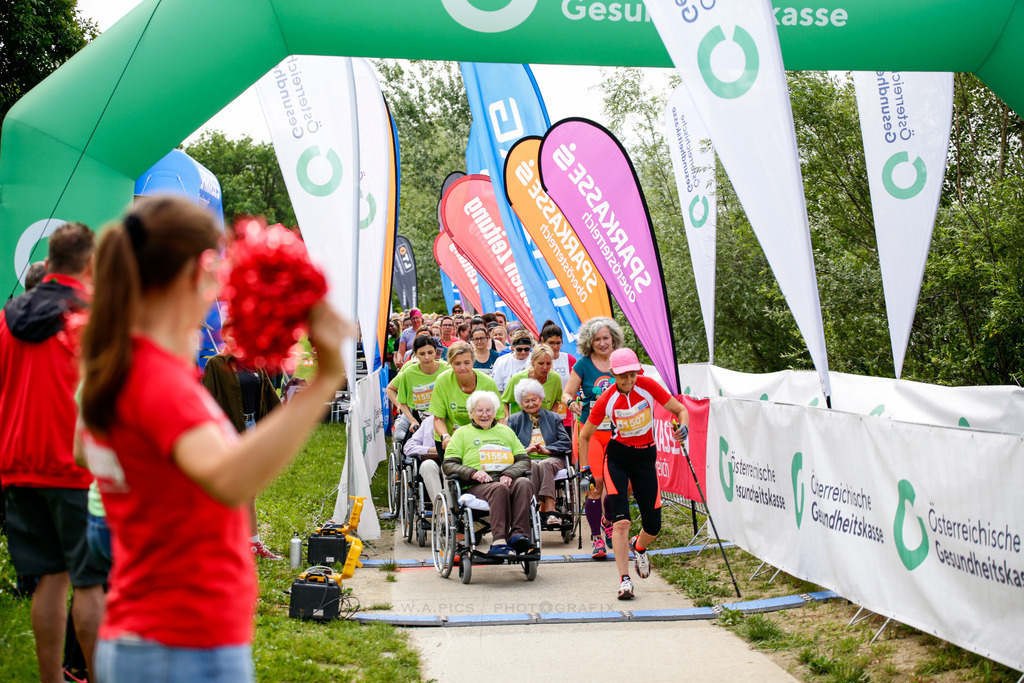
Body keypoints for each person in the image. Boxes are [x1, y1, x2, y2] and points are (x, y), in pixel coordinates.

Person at [78, 196, 352, 682]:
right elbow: (228, 479)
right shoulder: (157, 380)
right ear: (196, 272)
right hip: (182, 641)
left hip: (152, 633)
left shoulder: (121, 366)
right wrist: (328, 376)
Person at [0, 221, 107, 683]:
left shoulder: (7, 317)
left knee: (48, 579)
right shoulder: (88, 316)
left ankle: (51, 679)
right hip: (73, 468)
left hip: (16, 467)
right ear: (88, 263)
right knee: (89, 584)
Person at [579, 348, 688, 600]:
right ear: (613, 374)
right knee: (622, 522)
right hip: (617, 458)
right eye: (622, 377)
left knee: (654, 526)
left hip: (645, 459)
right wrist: (585, 470)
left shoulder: (648, 386)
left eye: (631, 375)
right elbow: (585, 435)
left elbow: (680, 410)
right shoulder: (606, 398)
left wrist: (683, 428)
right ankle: (624, 580)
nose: (627, 381)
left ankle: (639, 546)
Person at [201, 336, 285, 560]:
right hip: (230, 431)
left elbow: (269, 395)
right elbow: (205, 400)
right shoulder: (216, 364)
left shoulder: (255, 363)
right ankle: (245, 543)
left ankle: (244, 542)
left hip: (254, 429)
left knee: (250, 491)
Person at [443, 391, 535, 556]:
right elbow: (449, 465)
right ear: (471, 413)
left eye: (489, 410)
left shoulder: (505, 432)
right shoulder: (462, 433)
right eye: (479, 411)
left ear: (495, 412)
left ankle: (518, 535)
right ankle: (499, 541)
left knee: (524, 483)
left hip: (505, 479)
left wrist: (510, 473)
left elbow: (524, 459)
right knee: (499, 489)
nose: (484, 415)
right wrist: (472, 473)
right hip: (477, 485)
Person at [562, 316, 624, 560]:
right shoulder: (583, 365)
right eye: (597, 339)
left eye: (605, 338)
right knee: (595, 486)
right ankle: (597, 537)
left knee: (619, 486)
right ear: (590, 341)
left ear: (613, 339)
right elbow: (567, 392)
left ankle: (608, 520)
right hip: (591, 433)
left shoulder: (621, 360)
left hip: (619, 432)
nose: (602, 343)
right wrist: (572, 403)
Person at [508, 379, 571, 524]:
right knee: (533, 465)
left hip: (552, 458)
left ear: (541, 399)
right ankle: (532, 507)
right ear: (520, 403)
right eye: (526, 401)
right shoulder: (514, 420)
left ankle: (551, 511)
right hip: (526, 459)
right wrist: (526, 450)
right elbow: (509, 445)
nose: (531, 404)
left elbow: (566, 441)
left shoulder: (553, 418)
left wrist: (547, 450)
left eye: (534, 399)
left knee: (545, 464)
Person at [428, 341, 505, 455]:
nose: (462, 368)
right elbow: (439, 419)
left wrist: (501, 438)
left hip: (482, 437)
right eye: (457, 363)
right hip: (451, 438)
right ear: (450, 363)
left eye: (467, 363)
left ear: (473, 362)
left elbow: (500, 417)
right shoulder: (442, 380)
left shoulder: (488, 383)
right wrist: (445, 436)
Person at [386, 335, 447, 445]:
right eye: (422, 354)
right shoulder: (408, 373)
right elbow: (400, 399)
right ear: (415, 354)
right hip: (419, 417)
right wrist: (412, 420)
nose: (427, 357)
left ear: (435, 351)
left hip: (444, 418)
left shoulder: (447, 369)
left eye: (430, 352)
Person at [502, 343, 564, 418]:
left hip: (544, 424)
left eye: (548, 363)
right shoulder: (517, 379)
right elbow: (504, 401)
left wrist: (551, 417)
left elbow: (557, 400)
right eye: (541, 363)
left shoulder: (555, 378)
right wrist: (507, 418)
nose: (545, 367)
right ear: (532, 362)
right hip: (521, 425)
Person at [402, 414, 443, 508]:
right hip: (431, 461)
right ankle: (440, 509)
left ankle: (451, 508)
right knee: (428, 465)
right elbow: (408, 448)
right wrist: (430, 449)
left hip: (453, 461)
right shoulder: (428, 422)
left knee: (448, 468)